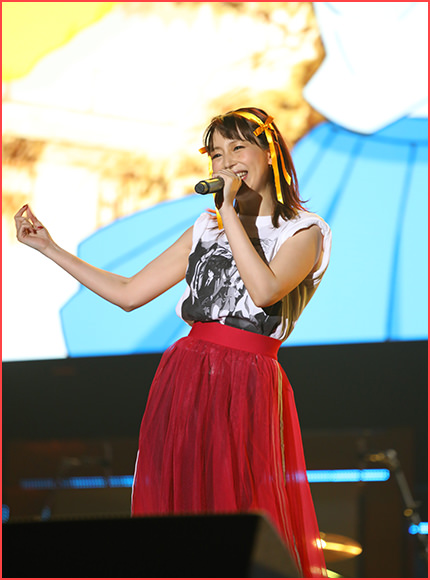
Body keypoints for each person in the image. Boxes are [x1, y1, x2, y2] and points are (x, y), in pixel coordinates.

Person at [15, 107, 331, 577]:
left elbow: (265, 291)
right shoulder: (206, 227)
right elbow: (129, 293)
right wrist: (50, 248)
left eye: (238, 148)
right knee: (182, 506)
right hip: (187, 375)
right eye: (216, 154)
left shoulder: (303, 231)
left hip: (248, 380)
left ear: (270, 153)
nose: (226, 162)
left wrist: (229, 213)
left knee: (238, 502)